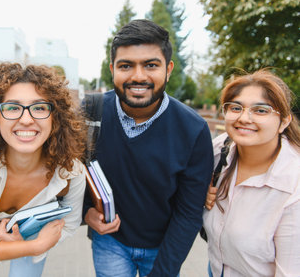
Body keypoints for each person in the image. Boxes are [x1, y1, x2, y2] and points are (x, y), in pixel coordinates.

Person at [82, 19, 214, 277]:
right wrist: (86, 211)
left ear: (169, 69)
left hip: (164, 246)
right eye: (126, 66)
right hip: (110, 242)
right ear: (112, 69)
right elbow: (70, 172)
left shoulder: (194, 130)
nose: (138, 76)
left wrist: (164, 270)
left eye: (151, 65)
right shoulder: (89, 112)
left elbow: (189, 212)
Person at [0, 62, 87, 275]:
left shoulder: (70, 171)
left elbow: (68, 225)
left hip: (32, 233)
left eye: (39, 108)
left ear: (55, 117)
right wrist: (35, 246)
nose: (26, 119)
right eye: (12, 108)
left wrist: (30, 243)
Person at [203, 69, 300, 276]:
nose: (244, 118)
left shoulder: (293, 185)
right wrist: (199, 193)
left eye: (261, 110)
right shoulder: (219, 150)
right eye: (236, 107)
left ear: (284, 121)